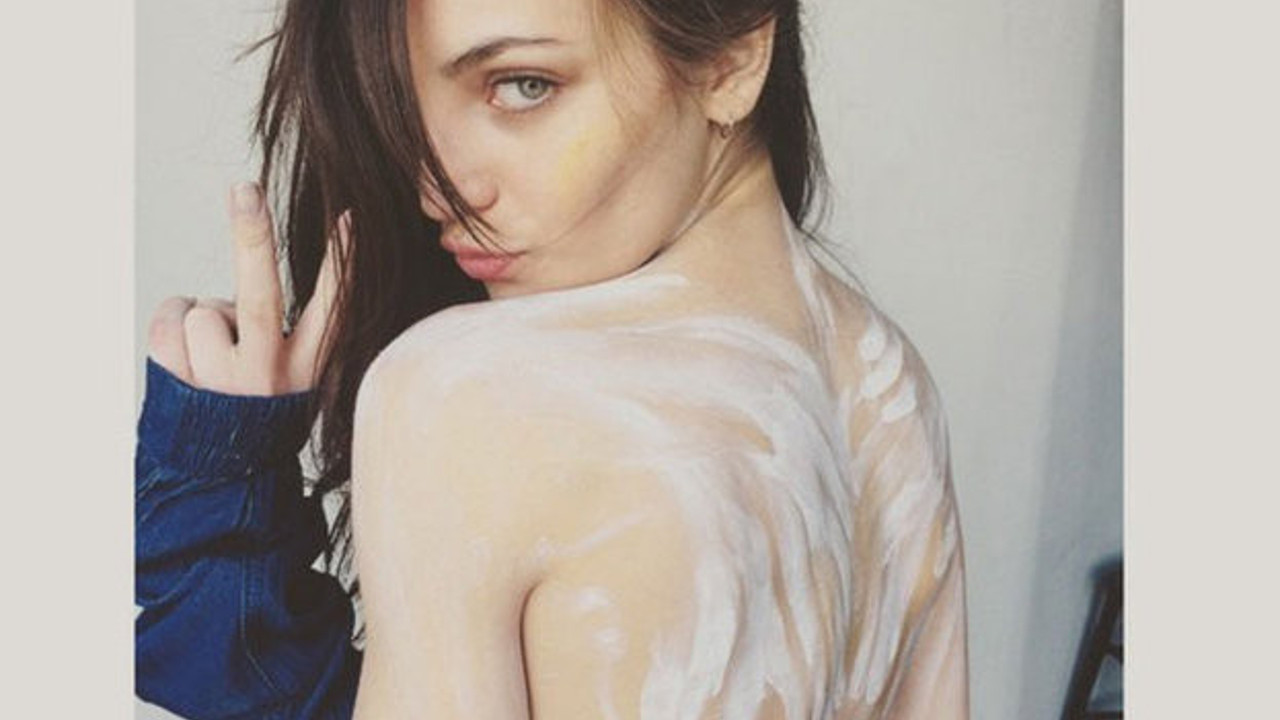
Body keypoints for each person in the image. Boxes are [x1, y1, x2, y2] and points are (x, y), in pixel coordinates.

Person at [135, 0, 970, 717]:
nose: (439, 189)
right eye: (407, 106)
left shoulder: (467, 397)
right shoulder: (890, 385)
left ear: (733, 60)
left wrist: (214, 511)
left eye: (523, 86)